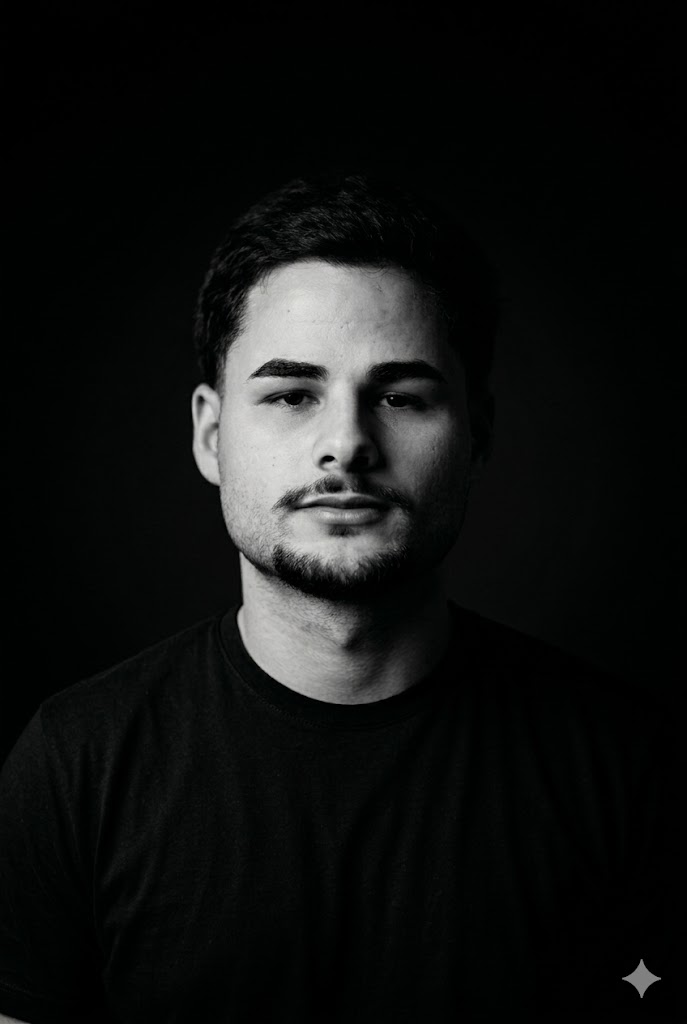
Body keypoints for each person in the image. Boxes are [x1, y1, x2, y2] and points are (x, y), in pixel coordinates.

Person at [0, 173, 683, 1024]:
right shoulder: (74, 765)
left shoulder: (627, 769)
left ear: (476, 435)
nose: (348, 444)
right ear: (210, 434)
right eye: (291, 395)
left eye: (400, 397)